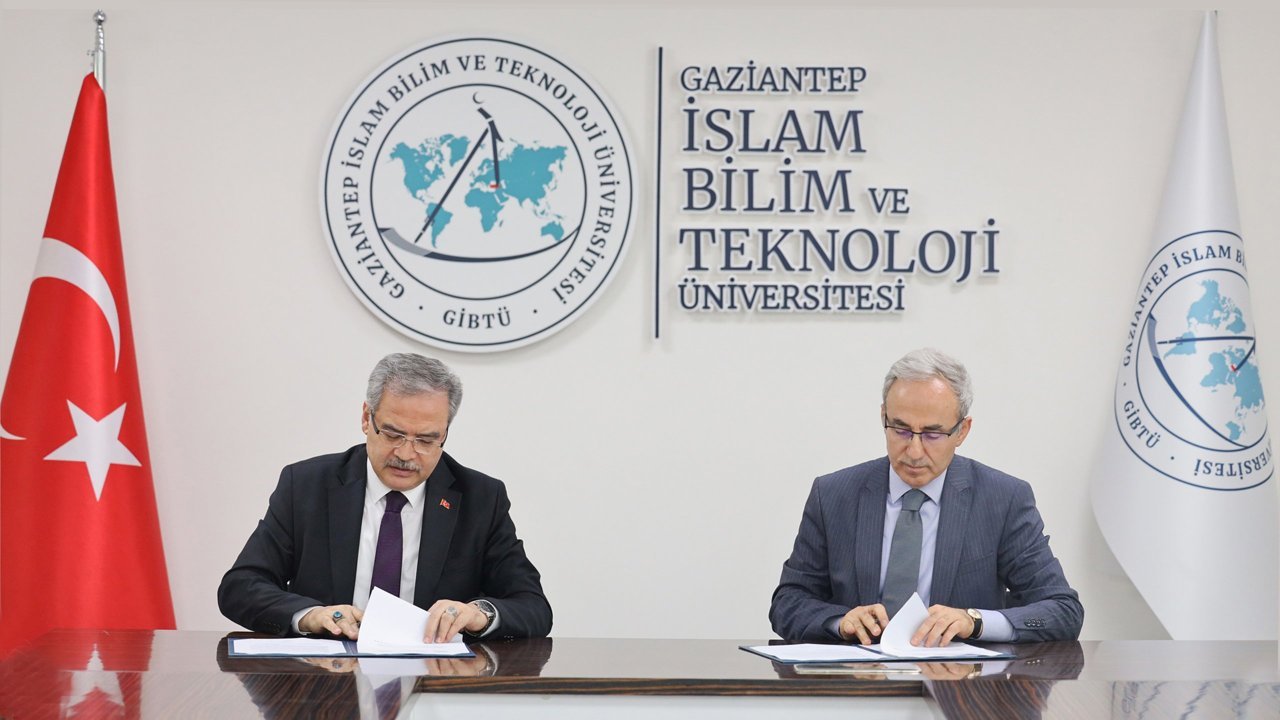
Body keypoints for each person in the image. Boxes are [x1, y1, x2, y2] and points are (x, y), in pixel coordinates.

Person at [219, 353, 551, 641]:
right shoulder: (307, 485)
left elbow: (533, 606)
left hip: (432, 681)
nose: (406, 454)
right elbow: (241, 587)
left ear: (445, 434)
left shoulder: (481, 499)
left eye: (426, 440)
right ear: (367, 418)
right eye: (393, 434)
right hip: (326, 677)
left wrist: (479, 614)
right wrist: (310, 616)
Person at [769, 348, 1082, 646]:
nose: (914, 451)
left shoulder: (1002, 500)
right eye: (900, 430)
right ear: (883, 417)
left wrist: (975, 621)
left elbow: (1063, 611)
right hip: (860, 677)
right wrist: (841, 622)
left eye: (933, 434)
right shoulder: (834, 495)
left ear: (962, 431)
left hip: (958, 679)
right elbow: (788, 603)